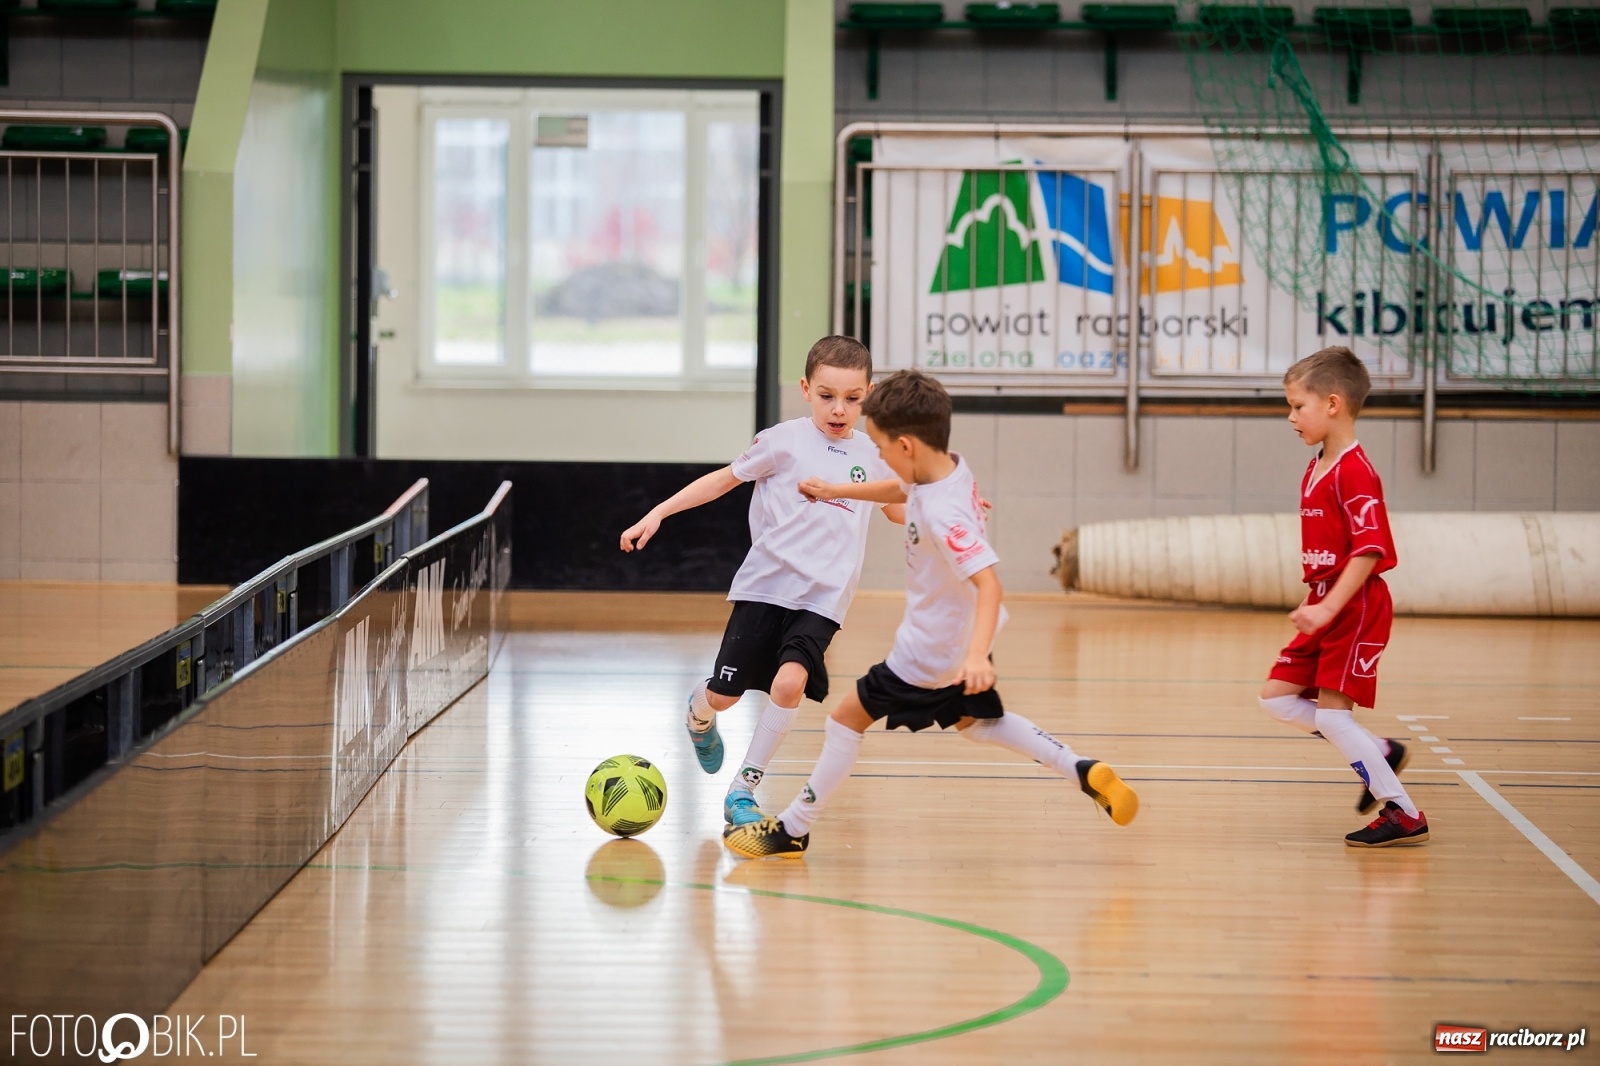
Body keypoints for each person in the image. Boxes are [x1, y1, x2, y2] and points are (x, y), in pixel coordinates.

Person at [722, 369, 1139, 859]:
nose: (875, 455)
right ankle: (1080, 767)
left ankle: (792, 827)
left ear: (906, 447)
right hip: (955, 643)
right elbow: (902, 492)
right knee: (977, 722)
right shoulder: (950, 468)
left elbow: (990, 583)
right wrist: (834, 489)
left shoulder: (943, 513)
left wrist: (978, 656)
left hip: (929, 649)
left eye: (880, 447)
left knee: (844, 721)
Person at [620, 336, 900, 828]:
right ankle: (700, 711)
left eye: (852, 398)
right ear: (805, 389)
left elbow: (899, 511)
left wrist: (952, 509)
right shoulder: (782, 440)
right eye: (827, 395)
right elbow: (724, 480)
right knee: (725, 696)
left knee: (788, 682)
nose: (839, 409)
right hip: (765, 587)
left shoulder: (874, 455)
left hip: (824, 598)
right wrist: (658, 513)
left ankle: (742, 789)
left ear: (868, 394)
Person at [1259, 345, 1427, 847]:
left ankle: (1403, 811)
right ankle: (1378, 749)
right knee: (1276, 700)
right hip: (1326, 604)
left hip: (1353, 608)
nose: (1290, 417)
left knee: (1333, 715)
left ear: (1333, 404)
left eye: (1297, 406)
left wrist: (1330, 606)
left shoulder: (1356, 471)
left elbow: (1370, 549)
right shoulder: (1317, 465)